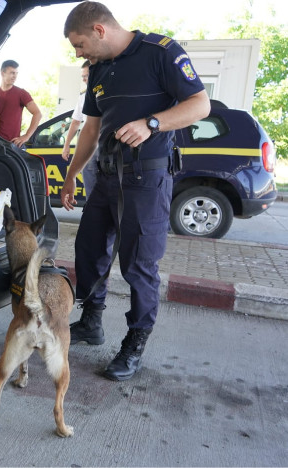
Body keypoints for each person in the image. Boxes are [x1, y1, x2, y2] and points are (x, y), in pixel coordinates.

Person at [60, 1, 210, 381]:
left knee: (138, 265)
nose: (78, 54)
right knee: (89, 252)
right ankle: (91, 322)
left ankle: (135, 342)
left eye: (79, 45)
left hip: (146, 179)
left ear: (99, 30)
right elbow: (92, 131)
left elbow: (200, 105)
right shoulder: (98, 69)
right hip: (105, 177)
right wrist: (71, 174)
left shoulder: (161, 52)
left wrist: (153, 123)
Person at [61, 60, 98, 199]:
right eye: (82, 76)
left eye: (86, 75)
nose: (84, 79)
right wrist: (66, 145)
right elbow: (76, 122)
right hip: (89, 149)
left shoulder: (108, 92)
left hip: (107, 148)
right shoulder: (83, 96)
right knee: (91, 190)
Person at [0, 60, 42, 147]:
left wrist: (26, 136)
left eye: (16, 73)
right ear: (3, 73)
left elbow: (38, 114)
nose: (15, 76)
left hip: (13, 145)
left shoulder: (21, 93)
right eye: (12, 73)